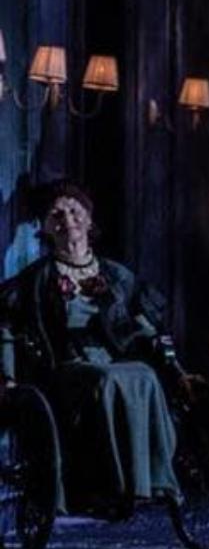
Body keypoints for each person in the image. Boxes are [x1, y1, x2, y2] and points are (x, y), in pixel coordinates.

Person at [0, 181, 181, 514]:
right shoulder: (36, 279)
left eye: (74, 211)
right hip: (66, 363)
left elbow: (142, 317)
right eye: (56, 214)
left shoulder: (115, 275)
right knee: (105, 380)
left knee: (145, 375)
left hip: (111, 356)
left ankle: (153, 481)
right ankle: (108, 486)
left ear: (88, 219)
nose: (67, 220)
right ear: (45, 227)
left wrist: (166, 355)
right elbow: (6, 327)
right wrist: (7, 377)